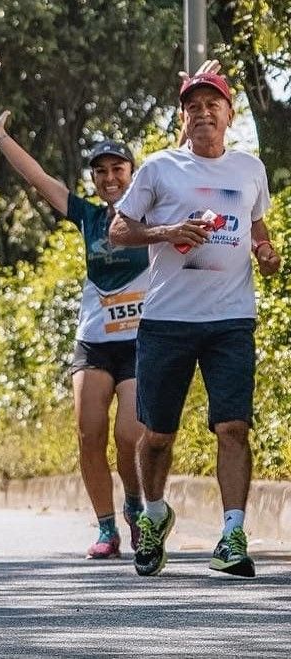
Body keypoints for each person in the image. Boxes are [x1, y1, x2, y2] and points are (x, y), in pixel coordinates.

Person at [109, 71, 282, 578]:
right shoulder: (160, 168)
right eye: (194, 106)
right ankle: (154, 515)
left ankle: (232, 535)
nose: (204, 113)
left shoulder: (250, 168)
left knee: (233, 426)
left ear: (230, 114)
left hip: (232, 319)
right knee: (157, 435)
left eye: (213, 105)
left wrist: (265, 252)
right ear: (183, 117)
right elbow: (119, 230)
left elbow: (257, 227)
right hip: (168, 320)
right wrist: (167, 231)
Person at [0, 115, 150, 558]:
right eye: (101, 171)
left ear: (133, 173)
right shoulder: (88, 216)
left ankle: (134, 504)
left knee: (129, 435)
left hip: (139, 342)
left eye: (118, 169)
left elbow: (178, 164)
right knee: (89, 434)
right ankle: (106, 529)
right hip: (94, 342)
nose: (109, 178)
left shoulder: (153, 215)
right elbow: (39, 179)